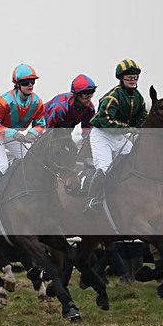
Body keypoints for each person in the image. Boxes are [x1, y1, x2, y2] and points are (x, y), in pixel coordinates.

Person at [0, 64, 45, 213]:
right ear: (17, 84)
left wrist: (33, 133)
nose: (30, 85)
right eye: (26, 83)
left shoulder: (37, 102)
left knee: (29, 161)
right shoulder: (2, 102)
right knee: (3, 166)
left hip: (15, 137)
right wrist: (14, 134)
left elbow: (40, 124)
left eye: (33, 82)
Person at [84, 59, 147, 213]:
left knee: (133, 163)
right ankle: (91, 201)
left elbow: (143, 116)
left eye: (135, 77)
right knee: (104, 168)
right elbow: (106, 120)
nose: (133, 80)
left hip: (120, 137)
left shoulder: (138, 97)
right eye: (129, 77)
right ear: (121, 78)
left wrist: (141, 126)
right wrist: (128, 128)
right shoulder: (111, 97)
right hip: (102, 135)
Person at [44, 74, 97, 140]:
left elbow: (88, 131)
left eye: (91, 93)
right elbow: (49, 129)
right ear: (76, 95)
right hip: (45, 121)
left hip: (65, 128)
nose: (89, 98)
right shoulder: (61, 107)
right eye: (85, 94)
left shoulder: (90, 109)